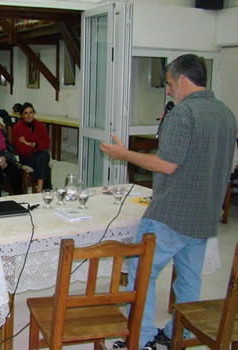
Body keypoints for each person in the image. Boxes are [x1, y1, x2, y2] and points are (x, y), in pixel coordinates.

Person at [100, 54, 237, 349]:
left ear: (184, 80)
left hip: (171, 214)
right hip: (203, 215)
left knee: (141, 273)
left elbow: (167, 164)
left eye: (171, 83)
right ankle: (182, 332)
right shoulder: (226, 113)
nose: (169, 89)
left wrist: (124, 155)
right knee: (189, 279)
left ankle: (142, 336)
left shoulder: (183, 114)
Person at [12, 102, 52, 192]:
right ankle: (43, 188)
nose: (29, 115)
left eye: (31, 112)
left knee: (43, 155)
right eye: (26, 113)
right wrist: (35, 146)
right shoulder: (18, 128)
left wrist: (29, 143)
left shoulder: (40, 125)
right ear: (21, 115)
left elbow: (46, 143)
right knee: (44, 163)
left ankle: (40, 187)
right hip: (26, 157)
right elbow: (20, 148)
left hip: (39, 154)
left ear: (34, 113)